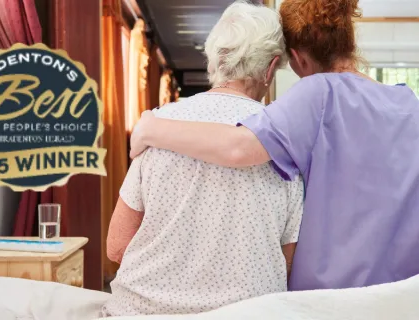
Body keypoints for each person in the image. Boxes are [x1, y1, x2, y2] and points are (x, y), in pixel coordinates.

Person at [130, 0, 419, 291]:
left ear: (297, 57)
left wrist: (152, 128)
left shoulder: (319, 92)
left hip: (331, 298)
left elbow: (238, 148)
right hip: (401, 293)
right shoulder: (408, 102)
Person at [102, 2, 304, 316]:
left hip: (141, 311)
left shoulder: (157, 125)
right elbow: (288, 259)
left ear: (214, 58)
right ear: (270, 68)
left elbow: (117, 246)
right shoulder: (284, 139)